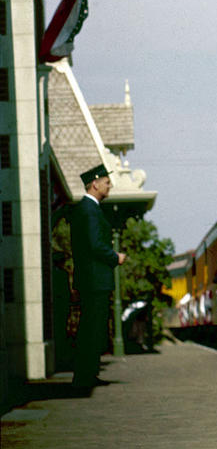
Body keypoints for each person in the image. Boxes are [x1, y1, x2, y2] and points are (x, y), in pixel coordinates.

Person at [68, 164, 126, 392]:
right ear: (95, 183)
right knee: (91, 328)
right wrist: (115, 256)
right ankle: (84, 377)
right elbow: (94, 244)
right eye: (107, 182)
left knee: (93, 328)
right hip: (94, 280)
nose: (109, 186)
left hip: (92, 280)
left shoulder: (87, 209)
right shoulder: (89, 210)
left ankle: (88, 374)